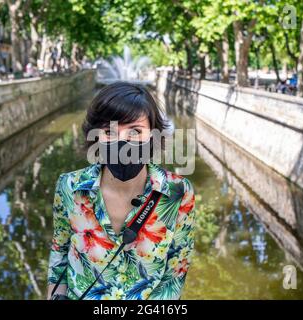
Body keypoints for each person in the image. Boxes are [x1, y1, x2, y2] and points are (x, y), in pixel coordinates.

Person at [47, 82, 196, 300]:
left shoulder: (178, 193)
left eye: (135, 131)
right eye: (109, 131)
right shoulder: (69, 187)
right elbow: (60, 251)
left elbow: (176, 272)